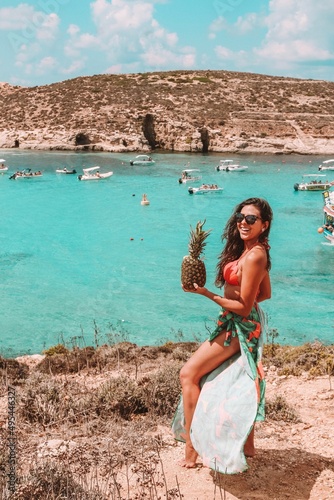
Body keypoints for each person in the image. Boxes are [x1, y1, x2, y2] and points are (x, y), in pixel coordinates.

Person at [172, 197, 273, 474]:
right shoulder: (251, 250)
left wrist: (207, 294)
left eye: (251, 219)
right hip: (237, 323)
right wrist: (242, 302)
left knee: (189, 374)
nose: (243, 222)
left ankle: (191, 446)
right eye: (241, 217)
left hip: (238, 326)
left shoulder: (255, 255)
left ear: (264, 225)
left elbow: (243, 307)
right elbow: (264, 294)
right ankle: (247, 445)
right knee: (233, 380)